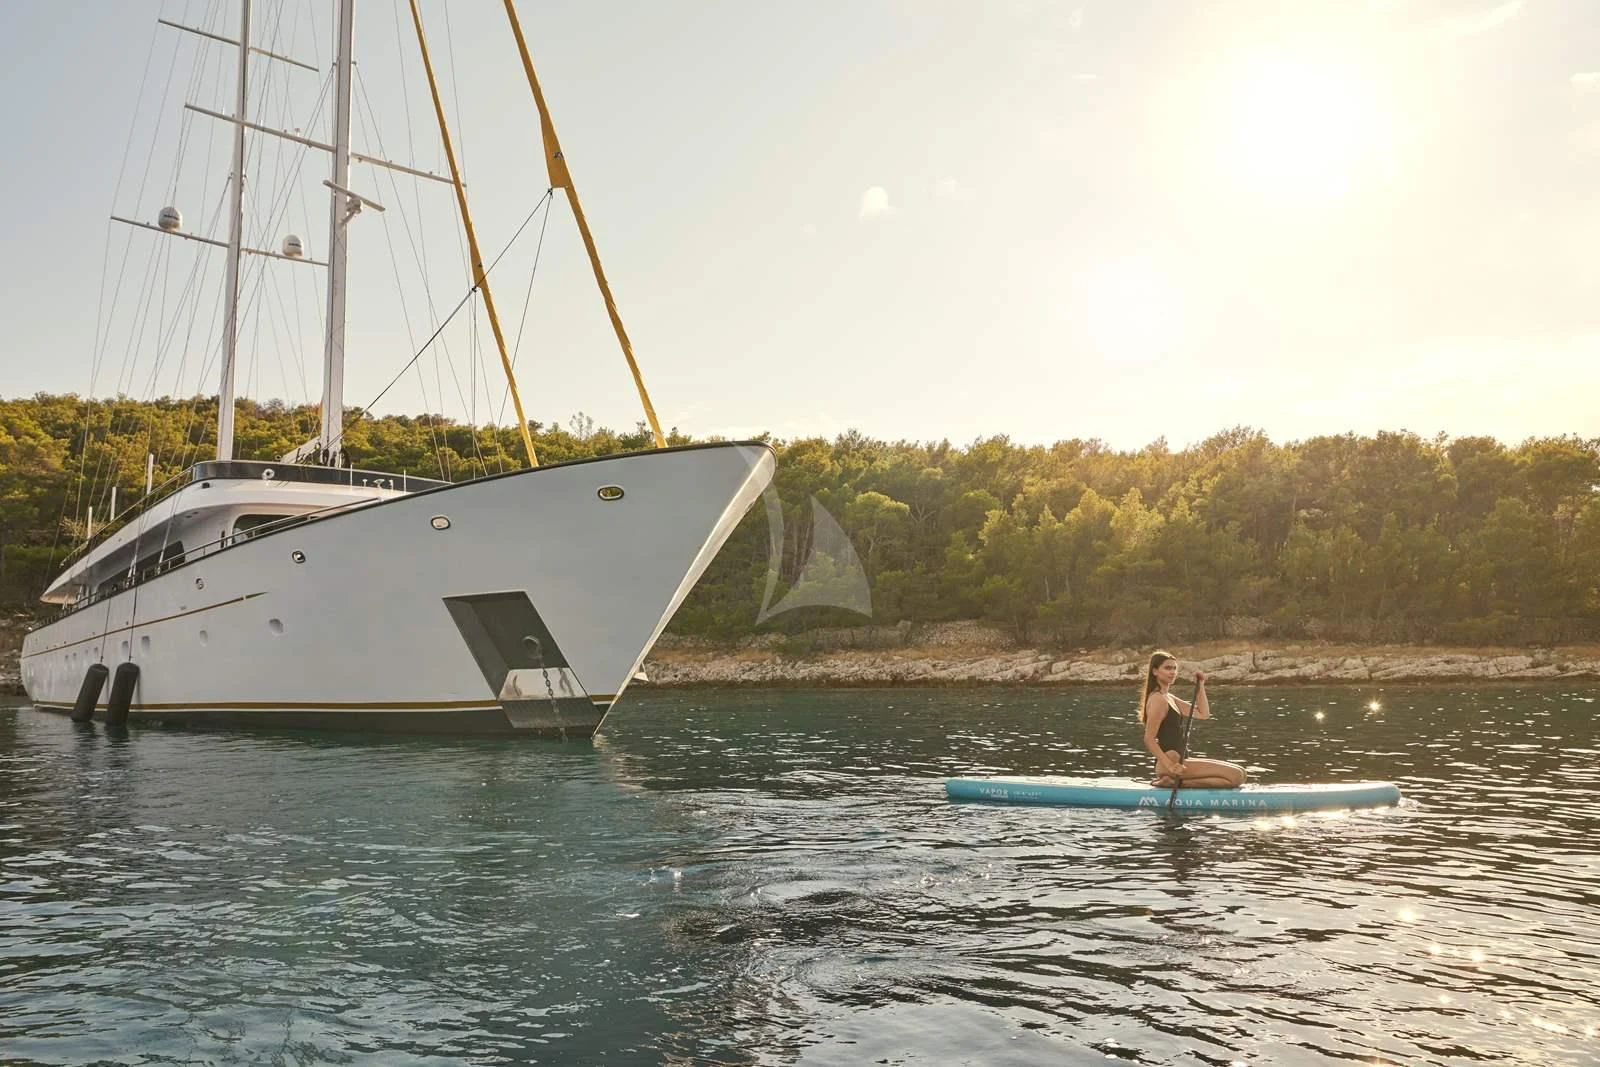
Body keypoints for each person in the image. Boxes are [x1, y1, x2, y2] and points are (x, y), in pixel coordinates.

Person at [1137, 650, 1245, 789]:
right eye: (1167, 668)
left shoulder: (1169, 698)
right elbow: (1149, 739)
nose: (1172, 672)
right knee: (1235, 776)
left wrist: (1200, 686)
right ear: (1155, 671)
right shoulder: (1158, 699)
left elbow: (1203, 714)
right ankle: (1173, 781)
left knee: (1240, 773)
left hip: (1182, 760)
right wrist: (1170, 766)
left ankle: (1174, 782)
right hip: (1170, 763)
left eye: (1174, 668)